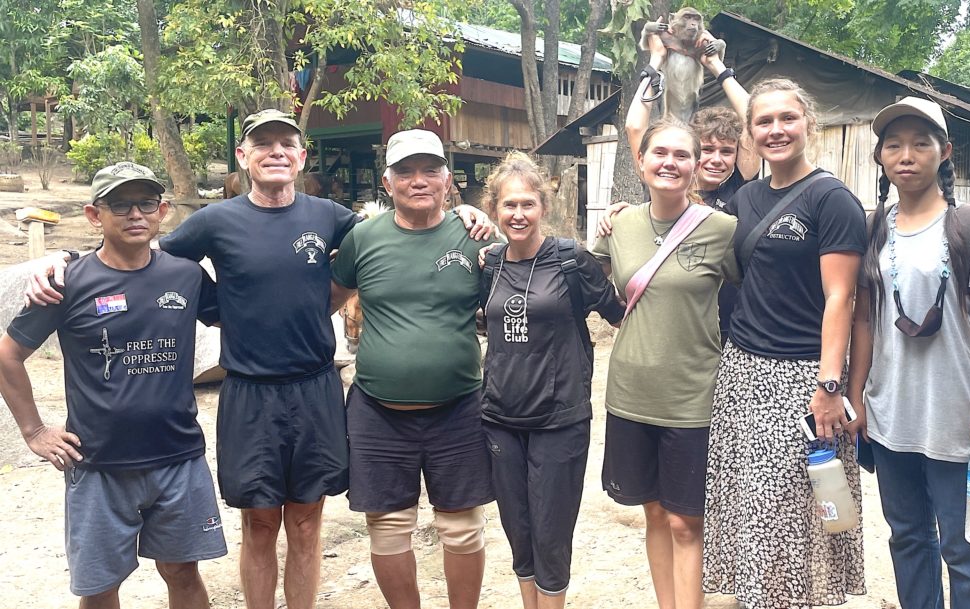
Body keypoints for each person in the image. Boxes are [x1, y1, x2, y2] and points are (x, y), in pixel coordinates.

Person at [23, 111, 492, 609]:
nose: (276, 152)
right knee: (260, 522)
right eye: (262, 144)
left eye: (286, 143)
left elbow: (395, 235)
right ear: (244, 157)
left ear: (301, 156)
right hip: (248, 391)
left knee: (308, 522)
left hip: (315, 387)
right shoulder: (215, 220)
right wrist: (67, 259)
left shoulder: (331, 217)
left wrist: (469, 214)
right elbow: (137, 248)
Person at [0, 162, 226, 608]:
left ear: (162, 210)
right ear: (93, 215)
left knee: (183, 571)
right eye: (119, 204)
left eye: (145, 203)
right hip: (99, 463)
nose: (135, 214)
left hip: (178, 458)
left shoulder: (185, 275)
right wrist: (34, 431)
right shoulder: (66, 282)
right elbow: (8, 355)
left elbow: (241, 315)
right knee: (101, 586)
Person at [846, 97, 970, 609]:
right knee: (907, 538)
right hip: (891, 414)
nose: (907, 155)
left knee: (964, 547)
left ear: (944, 153)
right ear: (880, 157)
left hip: (956, 416)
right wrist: (854, 396)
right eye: (894, 145)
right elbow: (862, 318)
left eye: (921, 143)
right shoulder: (874, 226)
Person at [701, 78, 867, 609]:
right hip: (743, 373)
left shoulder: (831, 198)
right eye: (763, 121)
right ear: (751, 133)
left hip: (802, 378)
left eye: (786, 119)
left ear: (808, 124)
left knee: (796, 510)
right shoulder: (744, 199)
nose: (776, 130)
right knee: (749, 505)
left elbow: (841, 298)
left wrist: (828, 385)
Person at [330, 129, 496, 609]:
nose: (417, 180)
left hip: (460, 407)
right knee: (387, 528)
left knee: (462, 527)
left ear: (448, 179)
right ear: (387, 181)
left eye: (429, 170)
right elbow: (329, 301)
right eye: (405, 171)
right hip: (378, 410)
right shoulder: (363, 238)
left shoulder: (476, 236)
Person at [591, 119, 739, 609]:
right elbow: (594, 289)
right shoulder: (619, 225)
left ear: (697, 166)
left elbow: (751, 293)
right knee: (654, 513)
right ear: (641, 161)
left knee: (685, 520)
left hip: (693, 394)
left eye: (682, 155)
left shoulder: (722, 229)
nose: (670, 163)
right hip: (631, 390)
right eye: (660, 153)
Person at [479, 152, 625, 609]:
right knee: (519, 532)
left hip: (559, 419)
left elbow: (621, 313)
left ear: (543, 206)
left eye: (527, 204)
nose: (518, 214)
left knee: (551, 531)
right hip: (500, 416)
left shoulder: (570, 260)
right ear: (494, 210)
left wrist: (625, 236)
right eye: (508, 205)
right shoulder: (488, 265)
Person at [604, 27, 759, 341]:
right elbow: (635, 126)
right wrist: (656, 59)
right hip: (672, 322)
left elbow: (753, 119)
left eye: (727, 151)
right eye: (708, 149)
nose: (716, 159)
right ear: (694, 154)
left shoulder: (740, 185)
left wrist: (716, 66)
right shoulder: (670, 183)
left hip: (731, 325)